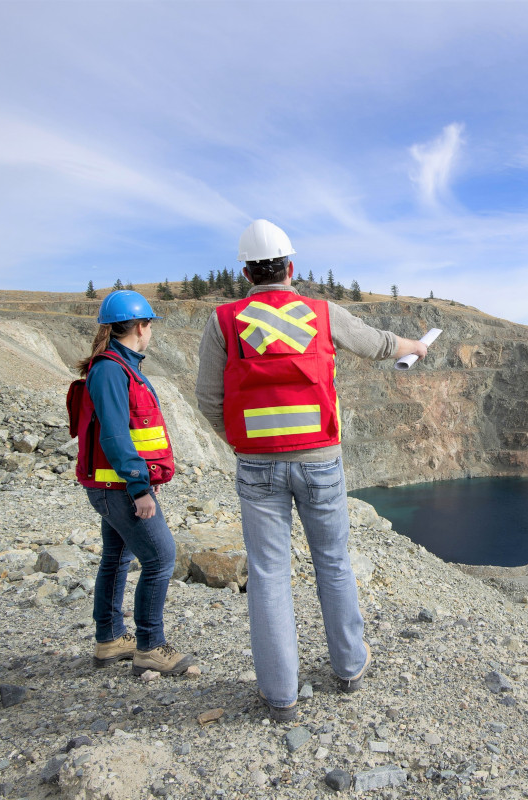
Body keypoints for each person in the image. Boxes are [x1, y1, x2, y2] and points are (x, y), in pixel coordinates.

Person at [196, 219, 427, 721]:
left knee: (269, 575)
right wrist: (416, 347)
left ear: (246, 272)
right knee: (334, 563)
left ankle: (280, 696)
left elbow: (208, 399)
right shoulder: (321, 313)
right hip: (320, 461)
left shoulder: (225, 322)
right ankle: (348, 668)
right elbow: (377, 344)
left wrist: (241, 442)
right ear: (290, 266)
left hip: (257, 467)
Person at [74, 290, 193, 677]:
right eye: (150, 326)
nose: (151, 333)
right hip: (119, 490)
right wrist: (139, 486)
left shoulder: (119, 365)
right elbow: (114, 434)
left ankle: (109, 639)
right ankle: (150, 647)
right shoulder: (112, 369)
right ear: (141, 327)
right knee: (160, 558)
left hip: (114, 486)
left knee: (118, 557)